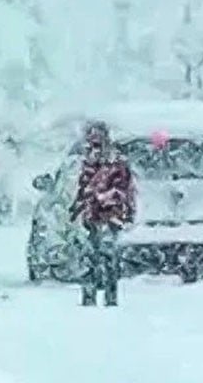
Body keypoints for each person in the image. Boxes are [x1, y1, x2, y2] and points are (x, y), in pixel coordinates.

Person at [68, 120, 136, 306]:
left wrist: (102, 199)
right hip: (92, 217)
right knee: (89, 256)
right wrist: (78, 207)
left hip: (109, 216)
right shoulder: (89, 161)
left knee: (107, 255)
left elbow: (122, 191)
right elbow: (83, 187)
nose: (93, 143)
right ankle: (90, 295)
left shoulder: (116, 163)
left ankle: (109, 296)